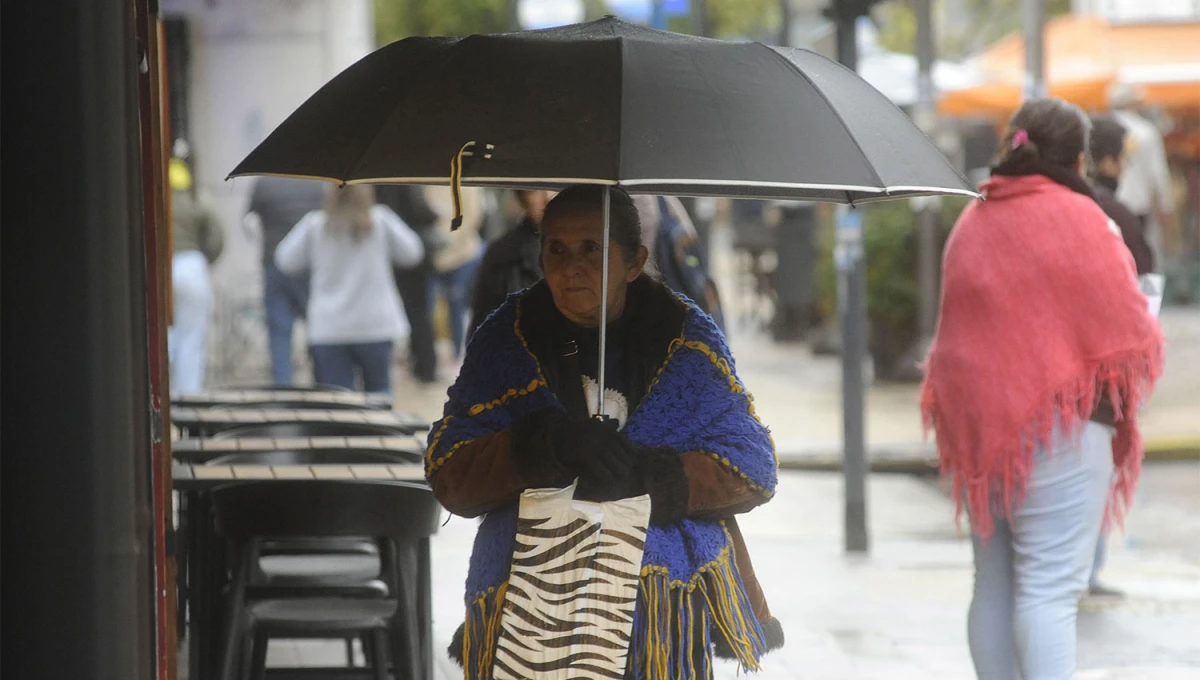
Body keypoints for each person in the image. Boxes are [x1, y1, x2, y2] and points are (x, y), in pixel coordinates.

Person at [428, 185, 784, 679]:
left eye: (591, 249)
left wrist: (649, 478)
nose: (571, 267)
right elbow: (450, 470)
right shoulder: (507, 335)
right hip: (531, 605)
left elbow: (752, 465)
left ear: (635, 261)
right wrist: (542, 446)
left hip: (657, 617)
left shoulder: (686, 338)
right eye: (557, 249)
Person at [921, 98, 1164, 680]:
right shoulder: (1085, 219)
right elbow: (1131, 327)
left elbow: (955, 336)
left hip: (982, 436)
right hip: (1066, 432)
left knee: (993, 586)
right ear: (1079, 158)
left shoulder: (973, 219)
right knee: (1051, 593)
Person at [274, 185, 424, 394]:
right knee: (379, 397)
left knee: (338, 402)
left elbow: (285, 260)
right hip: (375, 325)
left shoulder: (315, 225)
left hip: (330, 327)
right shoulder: (380, 220)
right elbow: (413, 253)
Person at [245, 176, 326, 385]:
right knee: (317, 328)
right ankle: (323, 384)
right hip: (309, 265)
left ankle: (284, 387)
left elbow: (248, 221)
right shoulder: (318, 183)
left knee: (279, 332)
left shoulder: (264, 184)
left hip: (274, 263)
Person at [168, 158, 224, 393]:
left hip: (162, 267)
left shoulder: (154, 200)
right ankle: (187, 399)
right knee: (191, 338)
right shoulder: (198, 200)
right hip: (192, 266)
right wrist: (206, 258)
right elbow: (217, 238)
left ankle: (164, 394)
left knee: (166, 336)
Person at [376, 184, 442, 383]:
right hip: (413, 258)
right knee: (419, 313)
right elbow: (421, 210)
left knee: (414, 313)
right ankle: (425, 366)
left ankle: (422, 364)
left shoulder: (381, 186)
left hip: (396, 256)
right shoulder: (407, 182)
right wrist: (436, 213)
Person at [467, 189, 552, 337]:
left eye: (556, 188)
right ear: (521, 199)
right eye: (535, 191)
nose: (548, 198)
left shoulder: (595, 248)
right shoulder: (503, 254)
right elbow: (482, 324)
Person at [1109, 84, 1173, 263]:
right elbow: (1159, 176)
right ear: (1134, 103)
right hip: (1138, 207)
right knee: (1138, 261)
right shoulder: (1146, 131)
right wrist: (1165, 209)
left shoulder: (1103, 128)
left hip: (1108, 203)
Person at [1089, 115, 1155, 277]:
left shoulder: (1071, 200)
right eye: (1124, 158)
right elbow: (1143, 267)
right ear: (1107, 163)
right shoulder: (1115, 212)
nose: (1125, 167)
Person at [424, 185, 485, 360]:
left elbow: (473, 216)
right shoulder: (428, 183)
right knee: (429, 308)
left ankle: (458, 355)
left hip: (462, 255)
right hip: (433, 255)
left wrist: (452, 241)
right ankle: (432, 357)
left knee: (457, 306)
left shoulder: (466, 185)